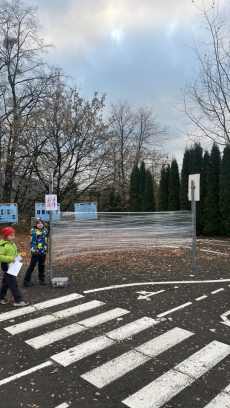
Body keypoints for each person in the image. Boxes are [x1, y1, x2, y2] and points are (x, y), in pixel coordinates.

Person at [0, 226, 29, 307]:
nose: (13, 237)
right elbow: (0, 256)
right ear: (6, 236)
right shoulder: (3, 246)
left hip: (12, 267)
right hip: (7, 267)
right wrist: (10, 259)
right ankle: (18, 300)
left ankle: (1, 297)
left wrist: (20, 255)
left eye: (14, 235)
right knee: (13, 284)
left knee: (5, 283)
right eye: (11, 235)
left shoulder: (13, 244)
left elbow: (15, 255)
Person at [23, 217, 49, 287]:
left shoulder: (45, 231)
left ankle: (41, 279)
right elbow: (32, 243)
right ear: (36, 224)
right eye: (38, 223)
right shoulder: (34, 232)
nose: (40, 225)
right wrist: (34, 251)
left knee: (42, 266)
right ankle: (26, 280)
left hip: (43, 252)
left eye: (41, 223)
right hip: (36, 253)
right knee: (32, 266)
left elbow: (50, 234)